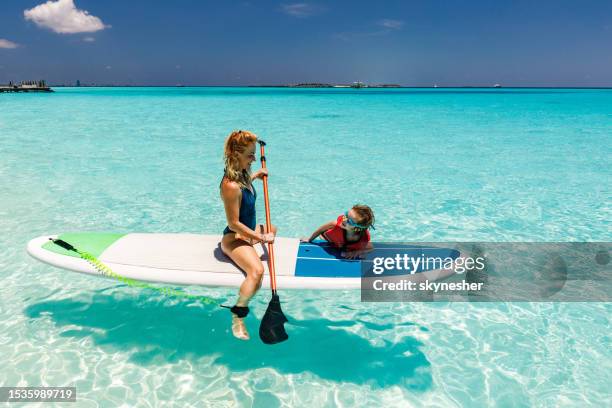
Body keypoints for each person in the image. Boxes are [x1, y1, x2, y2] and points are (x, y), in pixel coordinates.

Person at [220, 130, 276, 340]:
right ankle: (238, 314)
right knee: (257, 271)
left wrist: (255, 175)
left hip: (247, 236)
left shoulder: (242, 174)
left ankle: (258, 238)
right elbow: (233, 224)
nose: (253, 158)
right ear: (236, 155)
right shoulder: (230, 185)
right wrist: (261, 239)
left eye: (254, 153)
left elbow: (244, 185)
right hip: (234, 238)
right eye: (250, 154)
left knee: (274, 228)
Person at [302, 205, 375, 259]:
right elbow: (321, 229)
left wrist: (355, 252)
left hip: (342, 244)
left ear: (358, 229)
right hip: (327, 239)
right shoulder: (335, 224)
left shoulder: (362, 238)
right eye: (346, 215)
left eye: (349, 221)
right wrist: (309, 239)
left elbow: (370, 248)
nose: (344, 220)